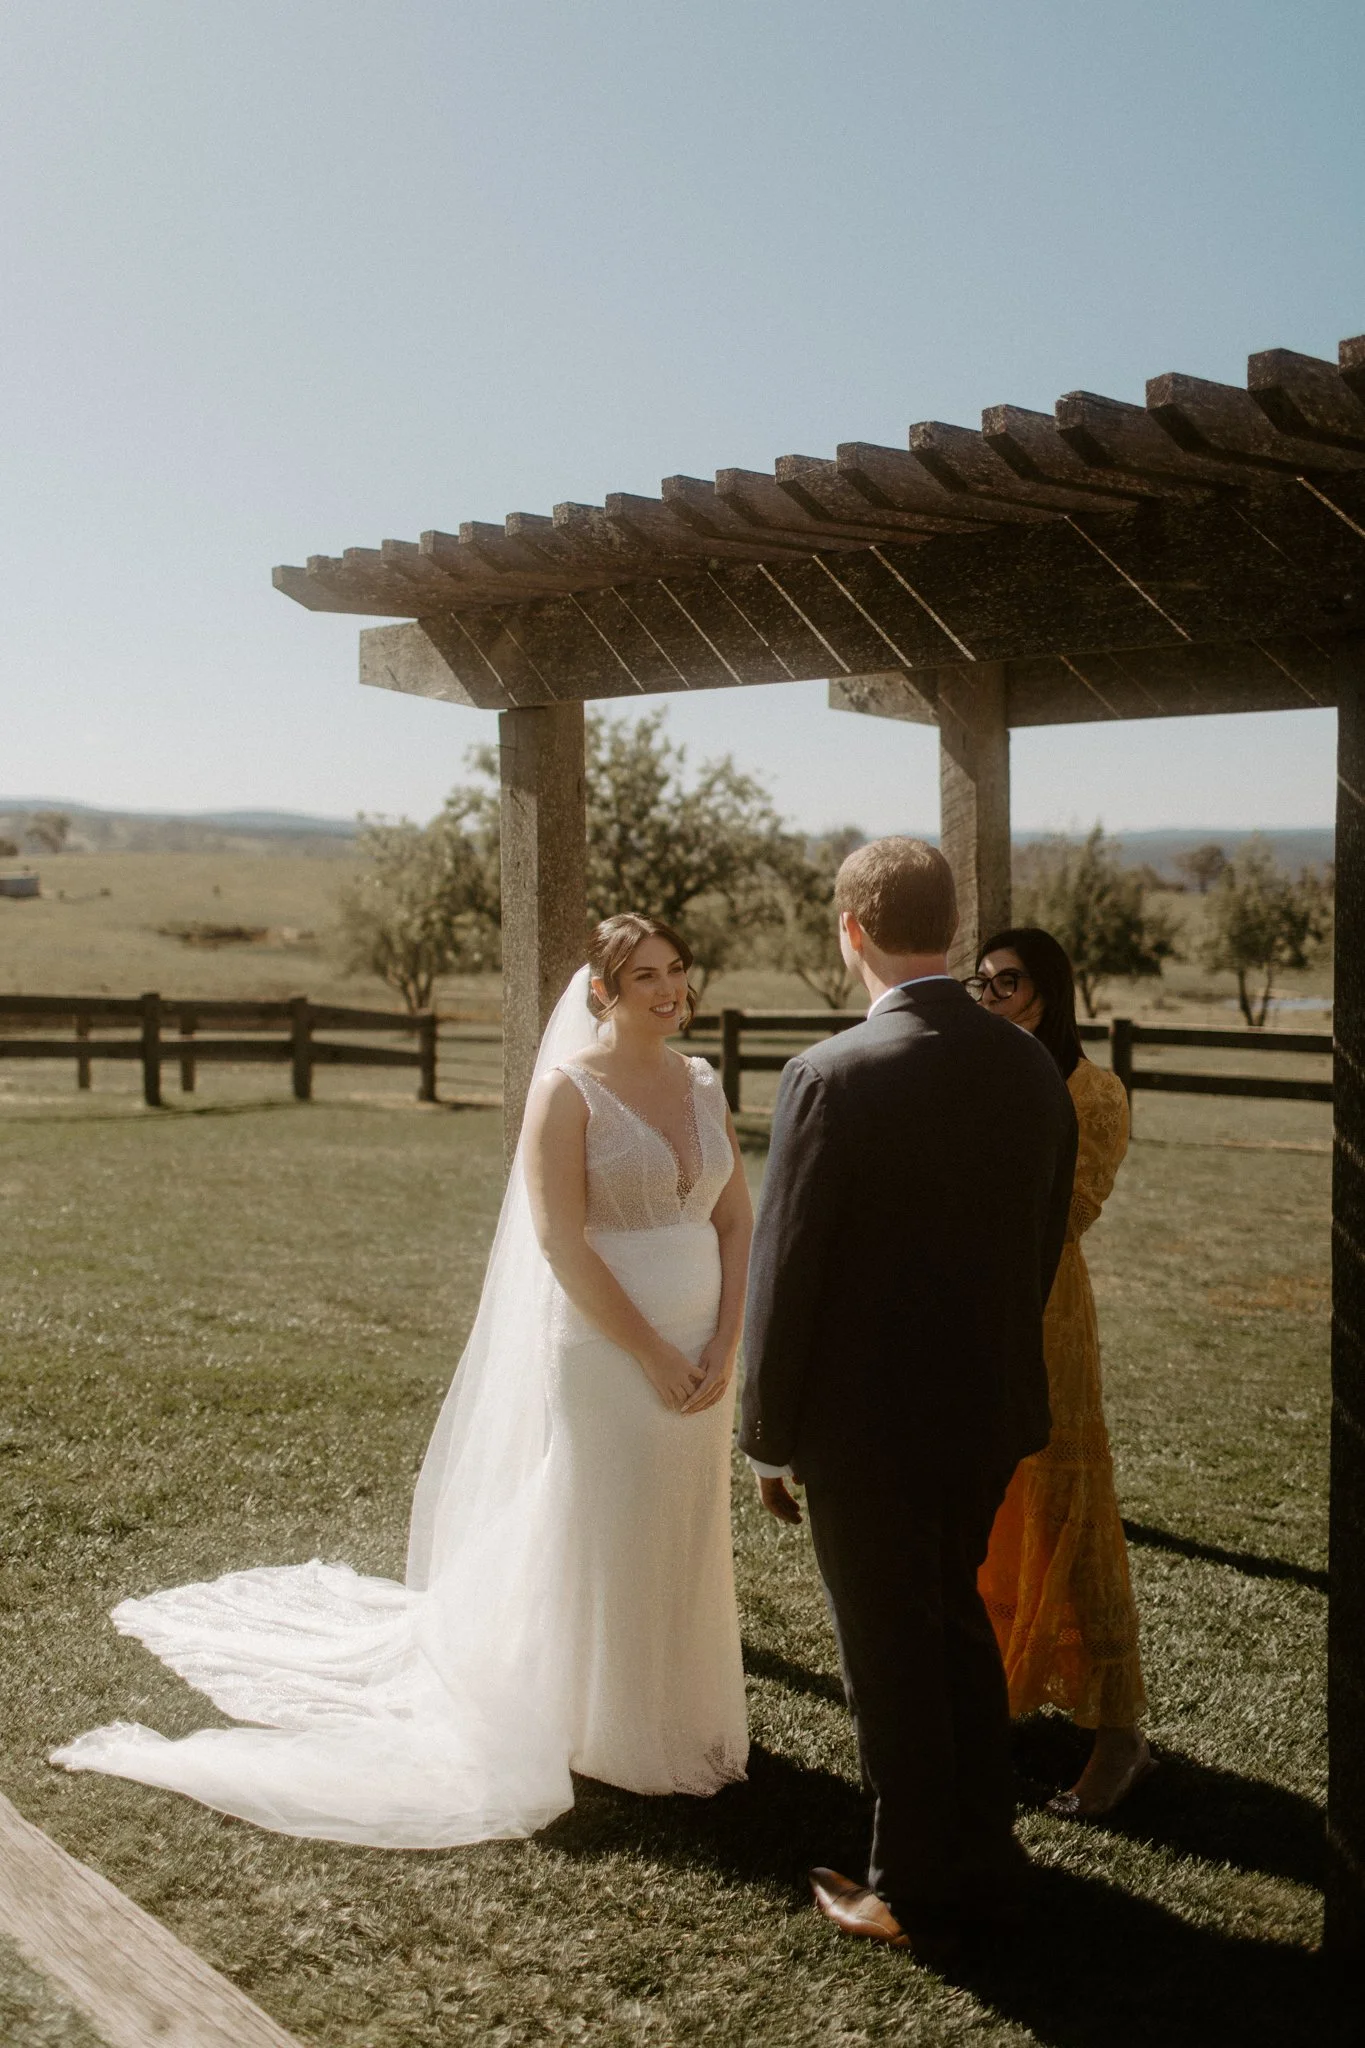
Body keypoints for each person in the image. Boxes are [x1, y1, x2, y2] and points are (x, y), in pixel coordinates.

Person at [52, 915, 750, 1844]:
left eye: (677, 973)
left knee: (684, 1518)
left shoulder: (701, 1083)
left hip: (708, 1345)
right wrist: (653, 1353)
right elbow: (559, 1244)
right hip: (607, 1346)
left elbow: (736, 1220)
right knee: (606, 1511)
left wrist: (726, 1339)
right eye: (644, 977)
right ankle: (599, 1721)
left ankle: (682, 1709)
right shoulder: (569, 1093)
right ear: (602, 994)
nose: (668, 991)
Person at [740, 839, 1077, 1960]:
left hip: (863, 1432)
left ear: (850, 931)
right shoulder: (1032, 1066)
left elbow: (787, 1274)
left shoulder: (829, 1073)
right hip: (985, 1413)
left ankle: (911, 1888)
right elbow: (1037, 1250)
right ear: (949, 921)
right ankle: (986, 1853)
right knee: (953, 1632)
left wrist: (766, 1442)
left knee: (889, 1656)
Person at [969, 928, 1150, 1818]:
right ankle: (999, 1688)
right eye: (982, 982)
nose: (992, 995)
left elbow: (1072, 1206)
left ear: (1047, 991)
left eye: (1009, 982)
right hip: (964, 1314)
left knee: (1061, 1496)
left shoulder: (1091, 1089)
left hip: (1044, 1313)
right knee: (983, 1505)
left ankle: (1117, 1734)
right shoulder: (965, 1072)